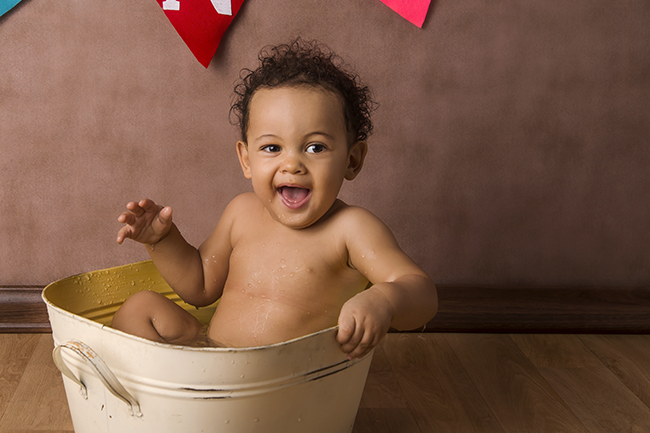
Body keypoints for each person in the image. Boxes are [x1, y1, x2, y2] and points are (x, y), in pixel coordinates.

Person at [112, 40, 437, 359]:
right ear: (247, 160)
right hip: (212, 356)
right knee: (140, 306)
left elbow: (421, 292)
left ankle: (183, 400)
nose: (292, 164)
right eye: (272, 148)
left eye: (315, 147)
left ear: (352, 160)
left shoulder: (351, 229)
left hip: (283, 383)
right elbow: (199, 286)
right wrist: (162, 240)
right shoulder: (241, 213)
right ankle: (167, 397)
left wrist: (384, 299)